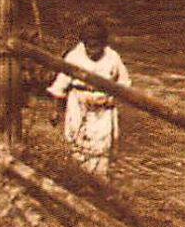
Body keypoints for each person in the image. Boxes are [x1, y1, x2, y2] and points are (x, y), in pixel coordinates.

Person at [48, 18, 130, 177]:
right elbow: (60, 86)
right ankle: (78, 178)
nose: (93, 51)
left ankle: (99, 180)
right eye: (89, 46)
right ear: (84, 43)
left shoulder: (113, 57)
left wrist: (115, 99)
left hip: (103, 108)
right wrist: (55, 111)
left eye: (97, 46)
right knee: (78, 144)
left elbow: (124, 84)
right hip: (79, 104)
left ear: (103, 43)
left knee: (102, 148)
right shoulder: (74, 57)